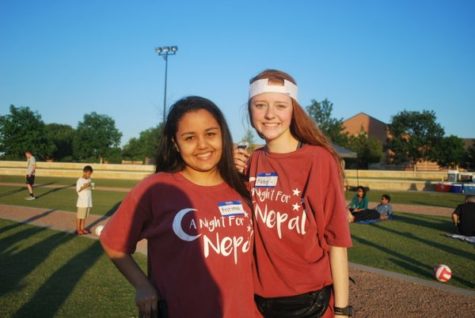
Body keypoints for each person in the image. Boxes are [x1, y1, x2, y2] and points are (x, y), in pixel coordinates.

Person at [100, 96, 258, 318]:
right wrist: (142, 286)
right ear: (175, 143)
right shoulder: (157, 188)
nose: (202, 145)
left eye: (211, 134)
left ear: (223, 135)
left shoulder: (241, 187)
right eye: (189, 137)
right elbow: (113, 242)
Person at [235, 69, 353, 317]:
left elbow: (336, 238)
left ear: (293, 110)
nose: (269, 114)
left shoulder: (317, 160)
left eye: (280, 105)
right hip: (258, 301)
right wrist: (226, 170)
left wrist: (342, 311)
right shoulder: (252, 161)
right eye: (260, 105)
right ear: (250, 110)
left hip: (308, 303)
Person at [76, 165, 94, 235]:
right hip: (82, 202)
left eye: (90, 173)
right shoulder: (80, 180)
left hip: (88, 201)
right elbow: (78, 190)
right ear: (84, 172)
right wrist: (84, 186)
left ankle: (82, 228)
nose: (89, 175)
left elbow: (91, 189)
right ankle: (78, 229)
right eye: (88, 173)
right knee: (80, 216)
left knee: (84, 217)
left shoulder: (89, 179)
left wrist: (91, 186)